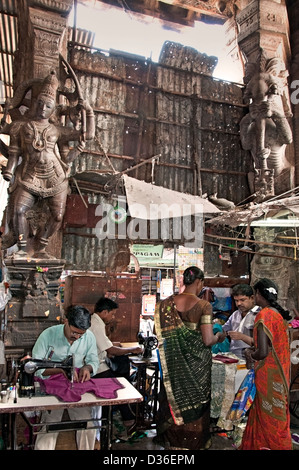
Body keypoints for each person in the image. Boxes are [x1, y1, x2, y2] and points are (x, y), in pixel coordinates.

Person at [2, 70, 95, 258]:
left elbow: (87, 135)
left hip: (55, 177)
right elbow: (14, 154)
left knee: (58, 216)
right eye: (40, 103)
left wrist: (90, 112)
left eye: (48, 105)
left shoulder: (57, 130)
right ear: (35, 104)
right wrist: (10, 172)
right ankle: (22, 247)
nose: (43, 108)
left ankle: (41, 246)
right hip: (30, 176)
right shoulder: (20, 127)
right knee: (19, 210)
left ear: (53, 109)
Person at [154, 266, 226, 450]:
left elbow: (161, 335)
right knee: (195, 406)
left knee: (172, 399)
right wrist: (220, 337)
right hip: (197, 370)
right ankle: (191, 445)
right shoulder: (204, 306)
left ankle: (172, 444)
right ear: (199, 282)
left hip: (174, 367)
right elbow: (208, 340)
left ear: (184, 281)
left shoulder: (165, 304)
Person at [32, 305, 99, 450]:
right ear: (66, 321)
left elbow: (94, 361)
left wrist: (87, 368)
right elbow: (36, 368)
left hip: (76, 384)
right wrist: (59, 370)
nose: (77, 337)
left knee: (88, 423)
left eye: (81, 335)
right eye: (74, 332)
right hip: (52, 385)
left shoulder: (89, 337)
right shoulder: (48, 335)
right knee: (50, 422)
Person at [240, 278, 292, 450]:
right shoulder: (277, 315)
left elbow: (262, 352)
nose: (254, 297)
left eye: (255, 293)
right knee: (274, 417)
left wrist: (249, 353)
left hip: (268, 376)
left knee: (270, 419)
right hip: (280, 374)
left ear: (260, 294)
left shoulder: (264, 316)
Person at [90, 297, 142, 436]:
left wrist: (118, 345)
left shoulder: (96, 321)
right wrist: (132, 350)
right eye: (112, 314)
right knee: (121, 387)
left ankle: (126, 419)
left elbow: (107, 344)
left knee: (121, 379)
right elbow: (110, 350)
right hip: (95, 368)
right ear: (105, 312)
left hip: (97, 363)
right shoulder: (96, 324)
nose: (112, 317)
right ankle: (128, 421)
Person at [222, 284, 259, 358]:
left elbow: (261, 344)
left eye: (242, 300)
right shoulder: (235, 314)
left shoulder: (258, 315)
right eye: (236, 300)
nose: (239, 303)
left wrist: (242, 337)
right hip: (233, 355)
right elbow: (224, 329)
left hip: (250, 358)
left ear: (252, 298)